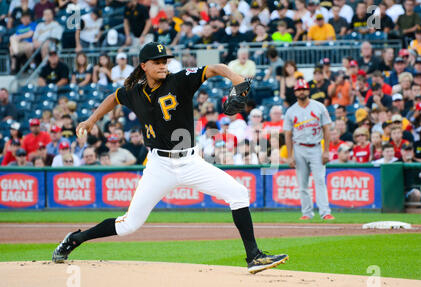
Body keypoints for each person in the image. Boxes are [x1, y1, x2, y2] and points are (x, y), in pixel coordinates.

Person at [52, 42, 288, 274]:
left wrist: (236, 79)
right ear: (144, 65)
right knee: (129, 225)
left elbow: (214, 68)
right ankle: (76, 239)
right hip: (159, 166)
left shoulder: (180, 79)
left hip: (190, 161)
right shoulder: (134, 92)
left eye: (165, 61)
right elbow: (114, 97)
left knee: (238, 193)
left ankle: (254, 256)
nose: (163, 65)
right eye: (157, 62)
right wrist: (91, 120)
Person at [283, 78, 334, 221]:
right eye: (299, 89)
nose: (301, 92)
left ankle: (325, 212)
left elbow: (326, 129)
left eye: (304, 89)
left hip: (316, 147)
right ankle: (306, 213)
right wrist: (290, 155)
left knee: (319, 181)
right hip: (299, 148)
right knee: (302, 184)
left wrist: (326, 150)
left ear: (308, 90)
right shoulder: (291, 111)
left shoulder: (319, 107)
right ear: (295, 92)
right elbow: (288, 134)